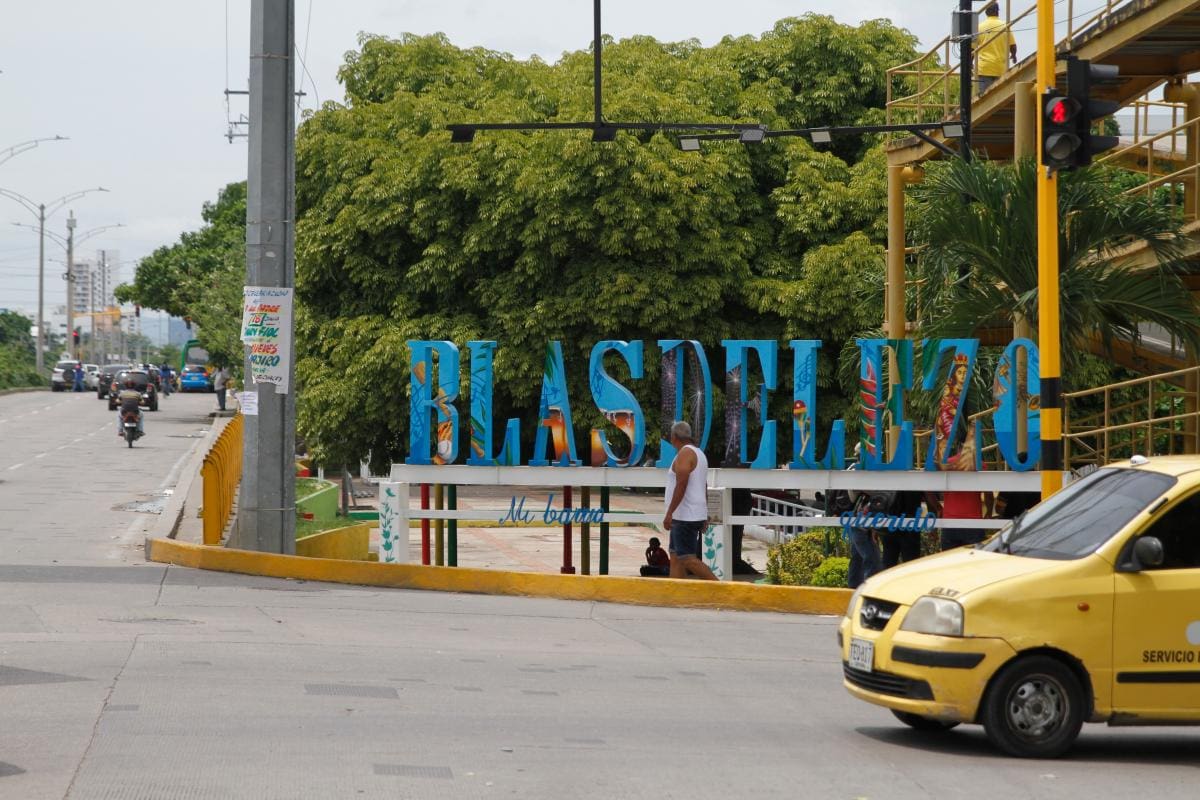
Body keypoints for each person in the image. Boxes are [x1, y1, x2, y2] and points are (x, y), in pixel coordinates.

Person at [662, 420, 717, 581]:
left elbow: (682, 484)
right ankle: (676, 598)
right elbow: (703, 486)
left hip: (685, 516)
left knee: (687, 559)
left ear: (674, 437)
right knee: (675, 559)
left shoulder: (685, 453)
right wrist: (704, 512)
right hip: (690, 515)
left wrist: (669, 513)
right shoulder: (699, 453)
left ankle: (722, 589)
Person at [976, 2, 1016, 95]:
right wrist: (1013, 55)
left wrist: (970, 62)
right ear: (997, 12)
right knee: (1001, 96)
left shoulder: (979, 27)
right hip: (1001, 68)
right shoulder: (1005, 26)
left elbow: (972, 49)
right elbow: (1013, 46)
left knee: (985, 99)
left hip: (984, 68)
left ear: (986, 12)